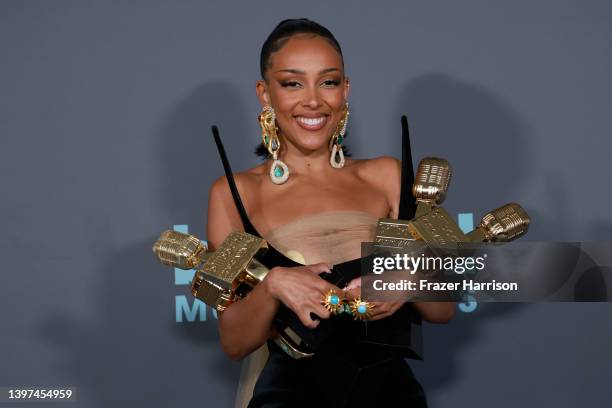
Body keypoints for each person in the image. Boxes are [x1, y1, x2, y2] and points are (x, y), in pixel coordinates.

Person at [206, 18, 455, 408]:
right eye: (292, 83)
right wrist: (272, 285)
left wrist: (410, 277)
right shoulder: (234, 194)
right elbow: (235, 342)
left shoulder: (387, 176)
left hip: (390, 395)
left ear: (346, 90)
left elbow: (443, 310)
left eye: (328, 81)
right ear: (265, 93)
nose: (313, 100)